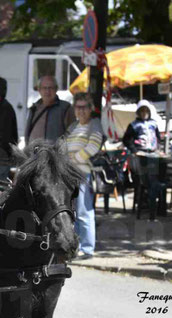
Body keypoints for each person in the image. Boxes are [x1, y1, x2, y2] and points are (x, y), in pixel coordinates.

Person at [64, 93, 103, 259]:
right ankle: (76, 246)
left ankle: (87, 249)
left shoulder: (94, 124)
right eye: (78, 107)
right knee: (73, 213)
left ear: (90, 108)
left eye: (84, 107)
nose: (81, 110)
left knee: (84, 212)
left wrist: (73, 159)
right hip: (70, 176)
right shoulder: (73, 126)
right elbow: (63, 145)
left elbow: (93, 146)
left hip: (84, 175)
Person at [24, 75, 75, 144]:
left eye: (51, 88)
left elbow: (73, 134)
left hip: (56, 153)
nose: (47, 91)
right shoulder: (34, 109)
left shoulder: (65, 108)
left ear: (56, 89)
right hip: (35, 153)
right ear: (39, 90)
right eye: (44, 88)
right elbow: (27, 134)